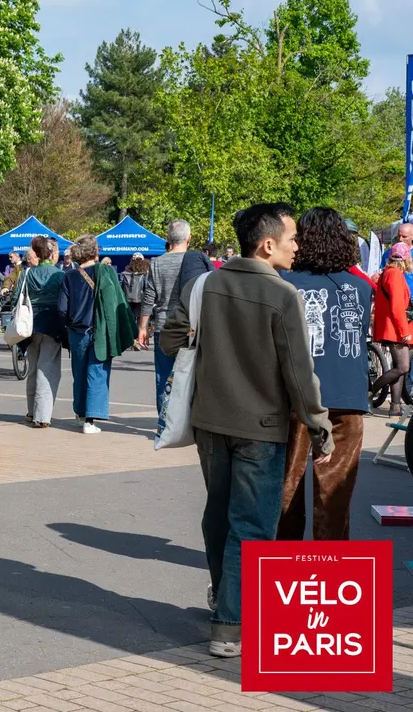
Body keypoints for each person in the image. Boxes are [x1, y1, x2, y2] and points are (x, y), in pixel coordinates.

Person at [161, 202, 333, 658]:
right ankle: (230, 625)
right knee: (252, 525)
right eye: (293, 238)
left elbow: (169, 338)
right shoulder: (283, 296)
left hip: (210, 422)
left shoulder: (204, 285)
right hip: (263, 425)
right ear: (268, 244)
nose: (299, 247)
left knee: (218, 514)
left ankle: (224, 598)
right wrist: (319, 425)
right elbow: (300, 372)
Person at [280, 208, 371, 541]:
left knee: (287, 489)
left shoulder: (284, 283)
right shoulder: (361, 287)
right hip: (347, 397)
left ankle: (284, 569)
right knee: (335, 495)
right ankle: (330, 570)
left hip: (295, 397)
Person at [59, 235, 132, 434]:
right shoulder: (106, 272)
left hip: (77, 332)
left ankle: (80, 413)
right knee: (97, 373)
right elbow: (117, 303)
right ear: (96, 252)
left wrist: (68, 326)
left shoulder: (69, 276)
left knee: (79, 373)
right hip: (100, 332)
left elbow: (61, 309)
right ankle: (90, 420)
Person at [138, 219, 196, 415]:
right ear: (188, 239)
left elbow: (148, 297)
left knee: (163, 376)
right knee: (189, 376)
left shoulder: (156, 263)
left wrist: (142, 328)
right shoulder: (192, 263)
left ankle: (164, 422)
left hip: (163, 326)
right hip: (189, 326)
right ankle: (185, 421)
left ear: (168, 239)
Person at [17, 236, 64, 428]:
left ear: (35, 254)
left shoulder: (27, 274)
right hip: (53, 325)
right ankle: (42, 416)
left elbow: (16, 299)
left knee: (34, 368)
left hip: (30, 325)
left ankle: (31, 410)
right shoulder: (59, 275)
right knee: (48, 369)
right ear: (52, 253)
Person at [370, 242, 413, 417]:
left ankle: (395, 406)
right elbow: (396, 307)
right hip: (395, 330)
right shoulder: (394, 275)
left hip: (390, 328)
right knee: (403, 367)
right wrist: (404, 332)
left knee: (398, 366)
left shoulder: (387, 273)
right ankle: (371, 391)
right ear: (405, 259)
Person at [121, 253, 149, 328]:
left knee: (129, 320)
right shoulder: (144, 273)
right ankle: (139, 337)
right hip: (140, 299)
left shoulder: (125, 272)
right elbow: (146, 288)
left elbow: (121, 288)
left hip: (127, 300)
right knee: (140, 321)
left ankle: (130, 337)